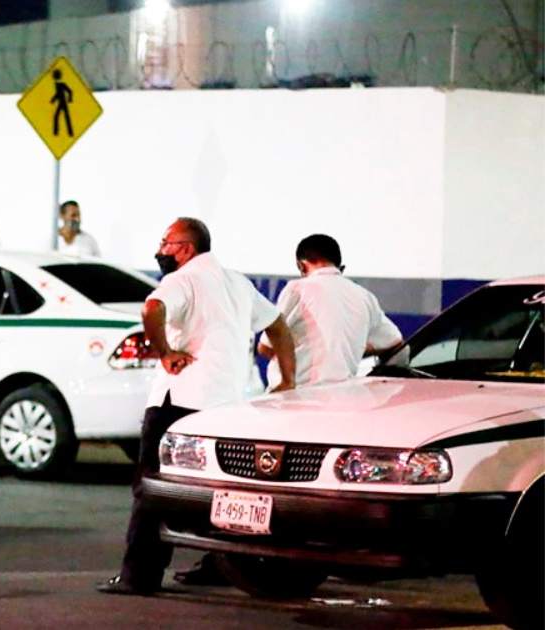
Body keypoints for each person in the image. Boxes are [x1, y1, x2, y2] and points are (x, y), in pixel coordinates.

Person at [98, 217, 296, 597]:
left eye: (165, 243)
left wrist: (165, 352)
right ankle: (218, 565)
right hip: (227, 403)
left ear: (185, 248)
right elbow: (279, 326)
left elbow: (151, 309)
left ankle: (138, 575)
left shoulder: (181, 279)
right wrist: (288, 380)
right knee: (219, 489)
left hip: (180, 401)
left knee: (152, 488)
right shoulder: (238, 282)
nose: (160, 250)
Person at [258, 234, 402, 387]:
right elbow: (395, 343)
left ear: (301, 266)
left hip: (297, 398)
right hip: (343, 398)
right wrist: (347, 350)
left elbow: (266, 347)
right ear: (341, 268)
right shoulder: (364, 296)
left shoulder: (297, 289)